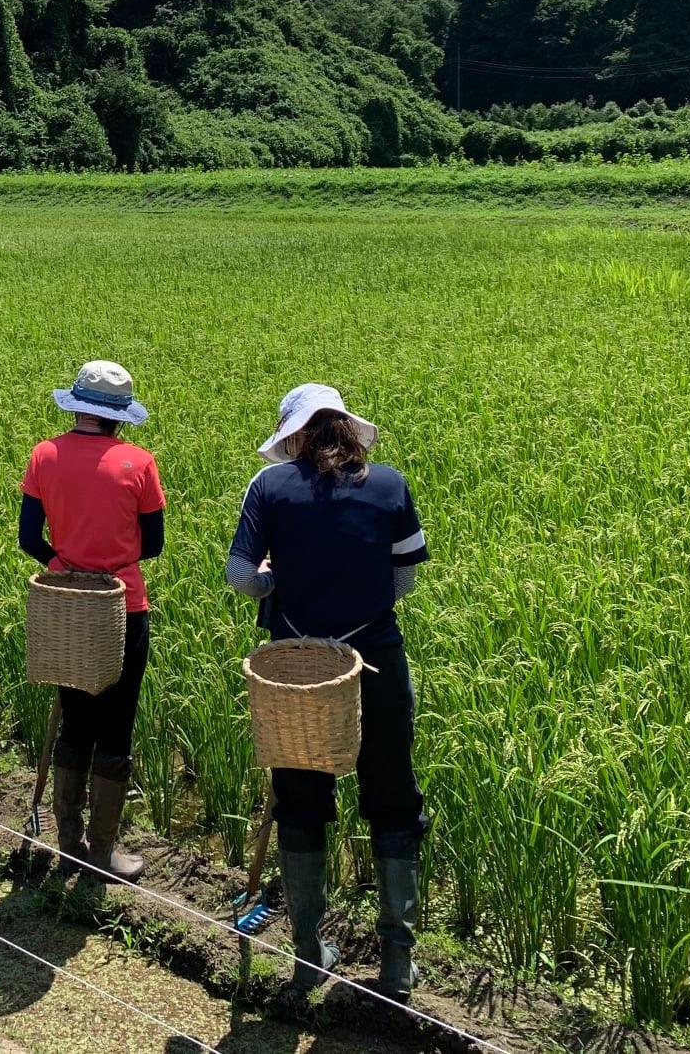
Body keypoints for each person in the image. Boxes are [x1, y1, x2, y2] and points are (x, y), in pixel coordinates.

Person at [225, 383, 429, 1001]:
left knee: (301, 800)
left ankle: (310, 955)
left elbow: (240, 576)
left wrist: (272, 583)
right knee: (393, 798)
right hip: (375, 664)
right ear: (345, 430)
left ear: (297, 434)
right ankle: (397, 961)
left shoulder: (269, 488)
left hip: (298, 670)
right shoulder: (390, 484)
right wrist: (357, 620)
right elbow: (406, 573)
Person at [18, 360, 165, 882]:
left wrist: (66, 565)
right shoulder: (138, 463)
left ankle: (68, 843)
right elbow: (153, 544)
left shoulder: (45, 454)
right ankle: (101, 855)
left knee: (75, 719)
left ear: (78, 407)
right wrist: (106, 565)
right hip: (122, 604)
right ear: (118, 416)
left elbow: (29, 538)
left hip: (65, 602)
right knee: (116, 725)